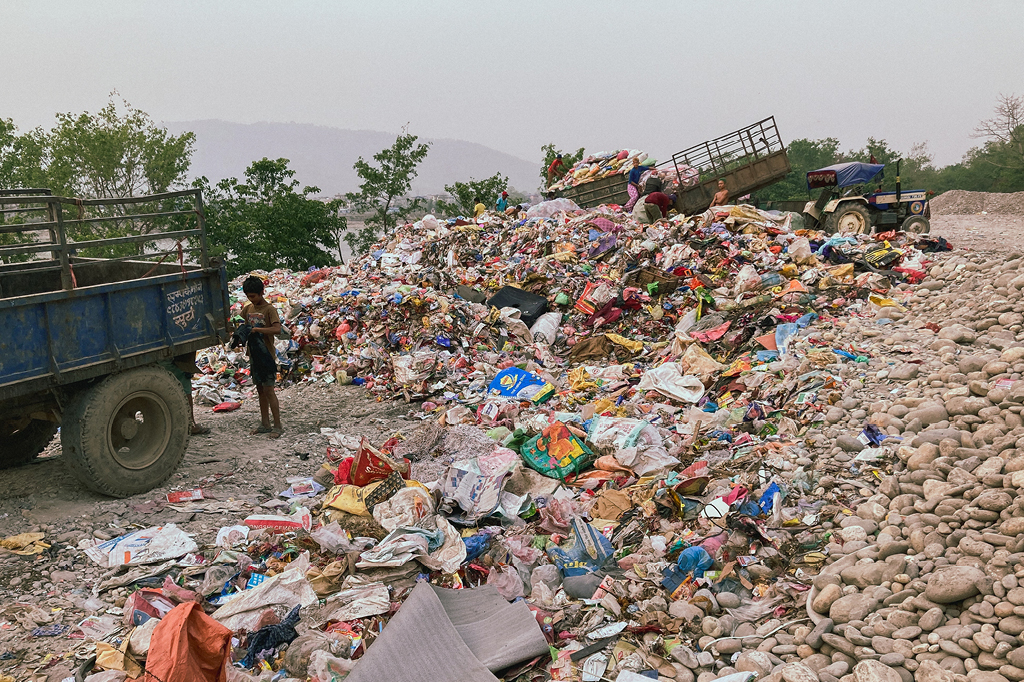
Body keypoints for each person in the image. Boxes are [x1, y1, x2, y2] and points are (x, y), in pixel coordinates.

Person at [241, 275, 283, 438]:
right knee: (260, 390)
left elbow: (277, 330)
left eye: (253, 296)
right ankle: (265, 423)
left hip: (266, 355)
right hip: (254, 355)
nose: (251, 299)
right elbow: (241, 321)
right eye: (248, 297)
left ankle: (277, 426)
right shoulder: (248, 308)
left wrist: (257, 330)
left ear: (261, 293)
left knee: (269, 390)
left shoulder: (269, 309)